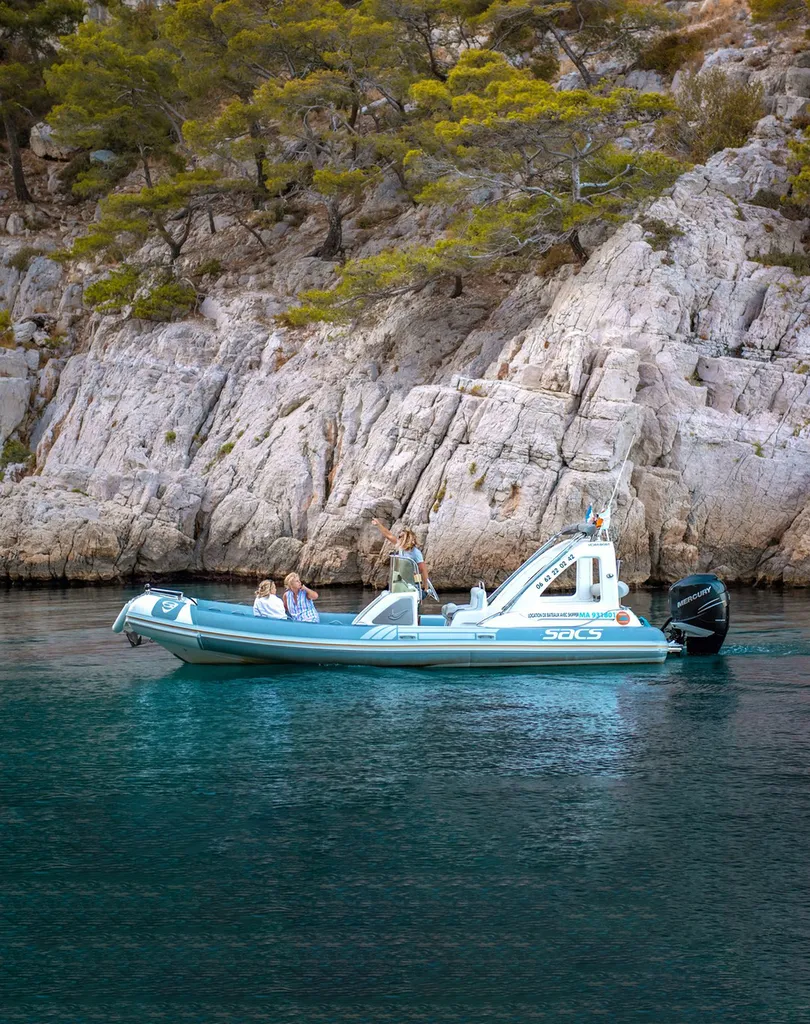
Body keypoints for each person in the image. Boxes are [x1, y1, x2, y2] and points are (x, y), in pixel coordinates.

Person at [371, 519, 429, 593]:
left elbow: (423, 570)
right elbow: (389, 536)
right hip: (401, 582)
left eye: (400, 537)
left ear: (406, 539)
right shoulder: (401, 547)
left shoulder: (416, 553)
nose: (398, 538)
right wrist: (378, 524)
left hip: (413, 584)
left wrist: (426, 588)